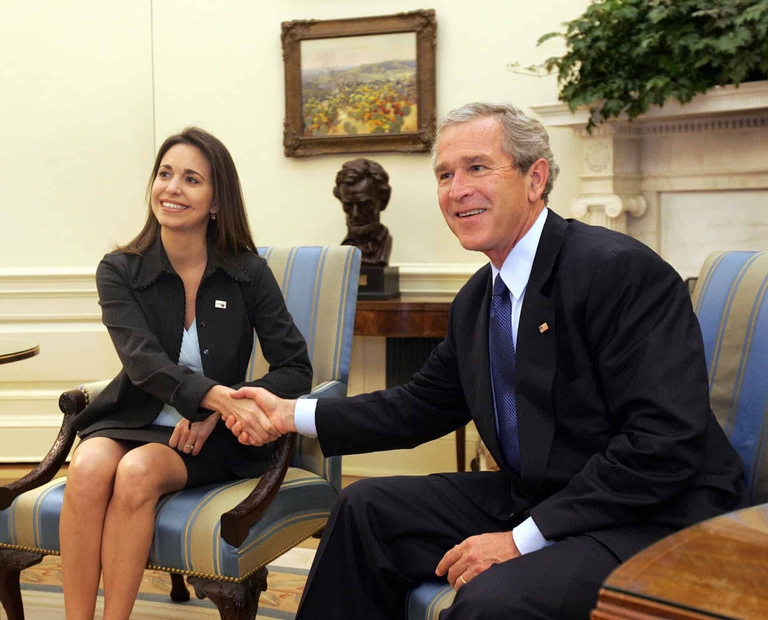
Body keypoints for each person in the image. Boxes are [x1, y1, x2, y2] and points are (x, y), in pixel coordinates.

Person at [225, 103, 749, 619]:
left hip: (653, 515)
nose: (457, 190)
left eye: (477, 167)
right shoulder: (479, 299)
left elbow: (661, 445)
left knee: (494, 600)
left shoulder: (619, 271)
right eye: (445, 175)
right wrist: (289, 414)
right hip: (543, 493)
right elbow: (420, 405)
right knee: (366, 510)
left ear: (535, 178)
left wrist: (520, 540)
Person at [60, 127, 312, 620]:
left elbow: (294, 366)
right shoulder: (119, 270)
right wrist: (214, 396)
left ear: (217, 201)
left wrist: (222, 408)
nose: (172, 188)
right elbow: (142, 362)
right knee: (88, 466)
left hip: (215, 437)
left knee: (136, 472)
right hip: (133, 415)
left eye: (191, 179)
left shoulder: (247, 271)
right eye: (164, 174)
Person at [335, 157, 393, 266]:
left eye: (365, 205)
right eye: (348, 205)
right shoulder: (343, 251)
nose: (356, 214)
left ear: (383, 202)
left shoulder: (383, 246)